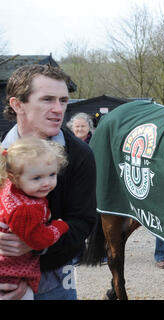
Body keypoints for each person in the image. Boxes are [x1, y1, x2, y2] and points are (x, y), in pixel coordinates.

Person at [0, 64, 96, 300]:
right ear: (17, 104)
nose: (58, 109)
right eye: (47, 99)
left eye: (63, 100)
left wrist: (36, 244)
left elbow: (83, 222)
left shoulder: (80, 155)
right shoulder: (2, 154)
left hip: (56, 279)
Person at [0, 138, 69, 300]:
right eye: (37, 178)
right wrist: (60, 226)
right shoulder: (25, 210)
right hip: (11, 275)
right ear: (14, 177)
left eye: (52, 174)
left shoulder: (9, 187)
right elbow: (39, 239)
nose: (46, 183)